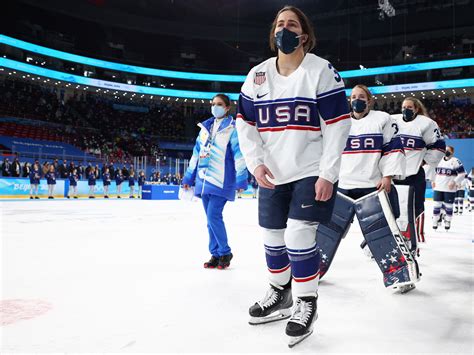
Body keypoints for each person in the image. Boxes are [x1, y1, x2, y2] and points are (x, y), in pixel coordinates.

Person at [235, 6, 351, 345]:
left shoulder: (320, 71)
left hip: (310, 170)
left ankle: (305, 301)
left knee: (299, 236)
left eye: (292, 24)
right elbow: (245, 123)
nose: (284, 29)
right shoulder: (257, 75)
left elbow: (338, 124)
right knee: (272, 237)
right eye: (279, 24)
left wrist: (329, 173)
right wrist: (255, 163)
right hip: (273, 172)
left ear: (304, 34)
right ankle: (280, 292)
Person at [316, 85, 418, 292]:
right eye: (353, 97)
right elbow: (328, 153)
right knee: (325, 233)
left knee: (383, 235)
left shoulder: (384, 119)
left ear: (369, 100)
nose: (357, 100)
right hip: (342, 186)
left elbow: (393, 150)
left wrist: (388, 176)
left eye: (361, 96)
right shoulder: (339, 122)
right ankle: (313, 271)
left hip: (372, 187)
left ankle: (402, 277)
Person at [183, 93, 248, 271]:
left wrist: (241, 179)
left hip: (222, 180)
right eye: (213, 104)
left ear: (227, 108)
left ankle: (225, 252)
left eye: (219, 104)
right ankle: (216, 253)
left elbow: (239, 155)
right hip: (204, 180)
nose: (215, 107)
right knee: (209, 220)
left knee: (213, 216)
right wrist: (189, 177)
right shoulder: (204, 129)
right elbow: (196, 155)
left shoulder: (232, 129)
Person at [392, 98, 445, 248]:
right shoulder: (392, 120)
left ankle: (412, 240)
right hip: (394, 175)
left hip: (414, 175)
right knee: (390, 210)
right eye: (403, 107)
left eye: (409, 107)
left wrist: (425, 160)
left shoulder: (426, 124)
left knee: (416, 208)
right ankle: (389, 241)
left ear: (416, 109)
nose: (406, 109)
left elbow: (438, 147)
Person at [431, 146, 465, 231]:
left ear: (452, 152)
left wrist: (454, 182)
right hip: (438, 187)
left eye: (448, 150)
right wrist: (432, 181)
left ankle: (448, 221)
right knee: (436, 205)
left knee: (449, 206)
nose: (446, 151)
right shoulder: (439, 159)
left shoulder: (455, 161)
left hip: (449, 188)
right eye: (445, 150)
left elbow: (462, 174)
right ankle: (435, 220)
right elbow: (433, 171)